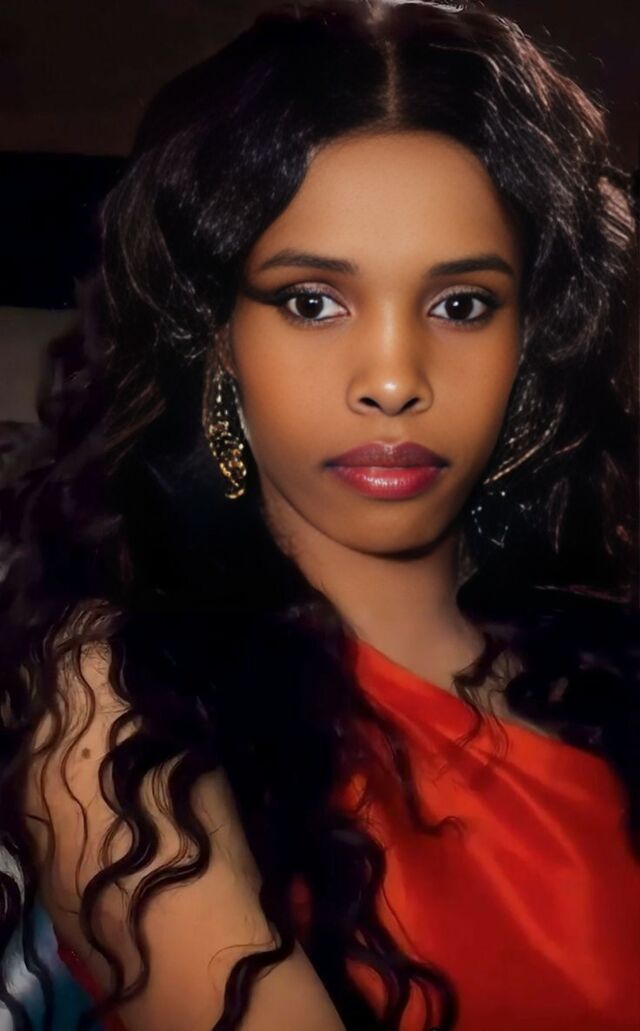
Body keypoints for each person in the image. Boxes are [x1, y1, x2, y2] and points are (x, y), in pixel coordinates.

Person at [0, 1, 637, 1028]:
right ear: (215, 335)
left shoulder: (605, 670)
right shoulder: (123, 696)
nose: (392, 378)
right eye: (311, 300)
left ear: (532, 341)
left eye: (461, 304)